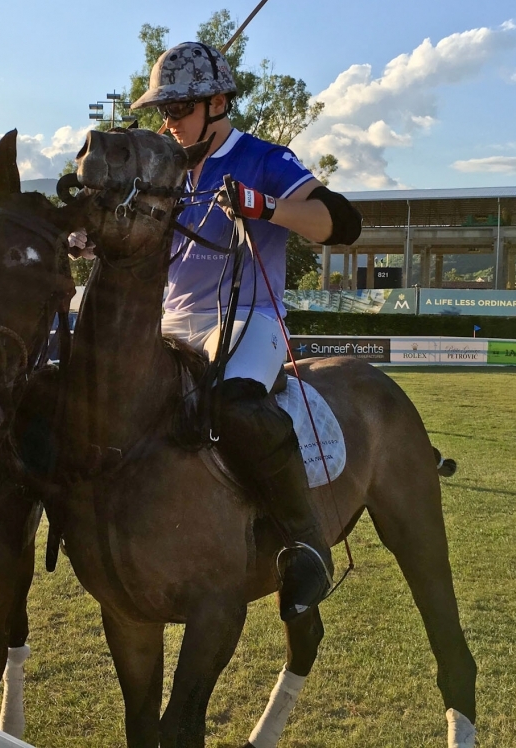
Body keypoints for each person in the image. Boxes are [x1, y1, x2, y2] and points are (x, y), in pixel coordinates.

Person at [130, 41, 362, 619]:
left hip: (250, 319)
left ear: (216, 103)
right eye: (164, 112)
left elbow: (342, 224)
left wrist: (265, 205)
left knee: (233, 403)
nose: (168, 123)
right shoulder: (167, 171)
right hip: (173, 320)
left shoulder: (265, 158)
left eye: (178, 111)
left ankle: (304, 540)